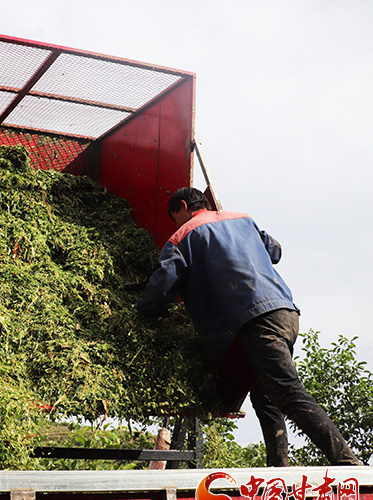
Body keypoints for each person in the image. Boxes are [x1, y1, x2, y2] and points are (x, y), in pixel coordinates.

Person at [137, 187, 361, 467]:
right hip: (285, 312)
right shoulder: (242, 218)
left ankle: (347, 463)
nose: (177, 224)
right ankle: (278, 471)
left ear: (183, 206)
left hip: (256, 319)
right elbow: (275, 250)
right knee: (265, 396)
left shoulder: (184, 235)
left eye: (176, 217)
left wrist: (143, 311)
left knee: (288, 393)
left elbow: (162, 286)